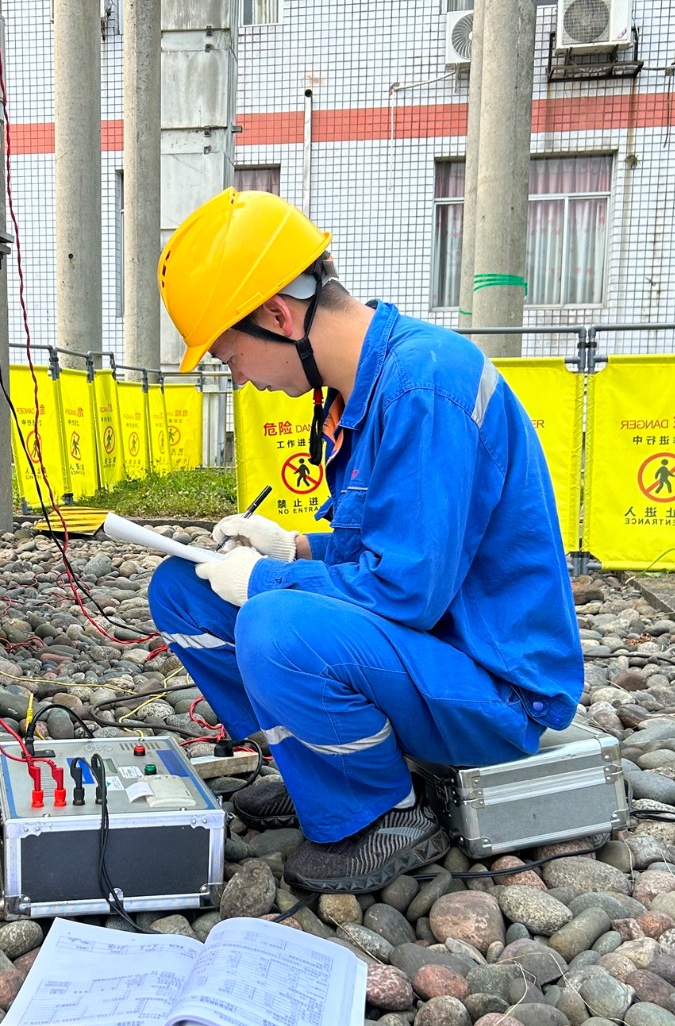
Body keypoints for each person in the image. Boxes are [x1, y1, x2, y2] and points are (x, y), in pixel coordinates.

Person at [147, 189, 583, 894]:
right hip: (428, 655)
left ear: (276, 315)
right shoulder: (361, 390)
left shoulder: (425, 385)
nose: (241, 378)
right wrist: (293, 549)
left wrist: (264, 581)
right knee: (182, 589)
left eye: (230, 357)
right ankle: (322, 769)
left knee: (275, 623)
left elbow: (406, 592)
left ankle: (387, 813)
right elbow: (386, 552)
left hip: (495, 688)